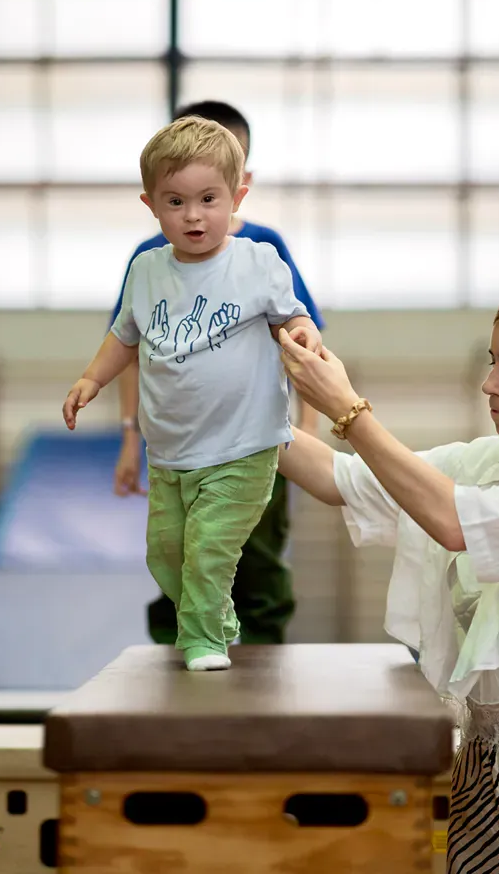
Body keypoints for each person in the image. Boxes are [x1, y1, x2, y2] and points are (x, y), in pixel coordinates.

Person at [276, 285, 499, 873]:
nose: (490, 384)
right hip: (487, 758)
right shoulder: (488, 462)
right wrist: (222, 405)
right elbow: (342, 480)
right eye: (492, 363)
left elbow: (454, 522)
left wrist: (347, 409)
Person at [63, 116, 321, 672]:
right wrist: (91, 379)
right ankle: (217, 618)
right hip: (172, 454)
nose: (194, 215)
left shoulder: (258, 260)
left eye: (208, 199)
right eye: (175, 202)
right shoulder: (147, 269)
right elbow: (123, 337)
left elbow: (294, 318)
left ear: (238, 196)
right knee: (167, 554)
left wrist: (303, 334)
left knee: (208, 550)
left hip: (243, 447)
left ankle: (203, 640)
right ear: (151, 204)